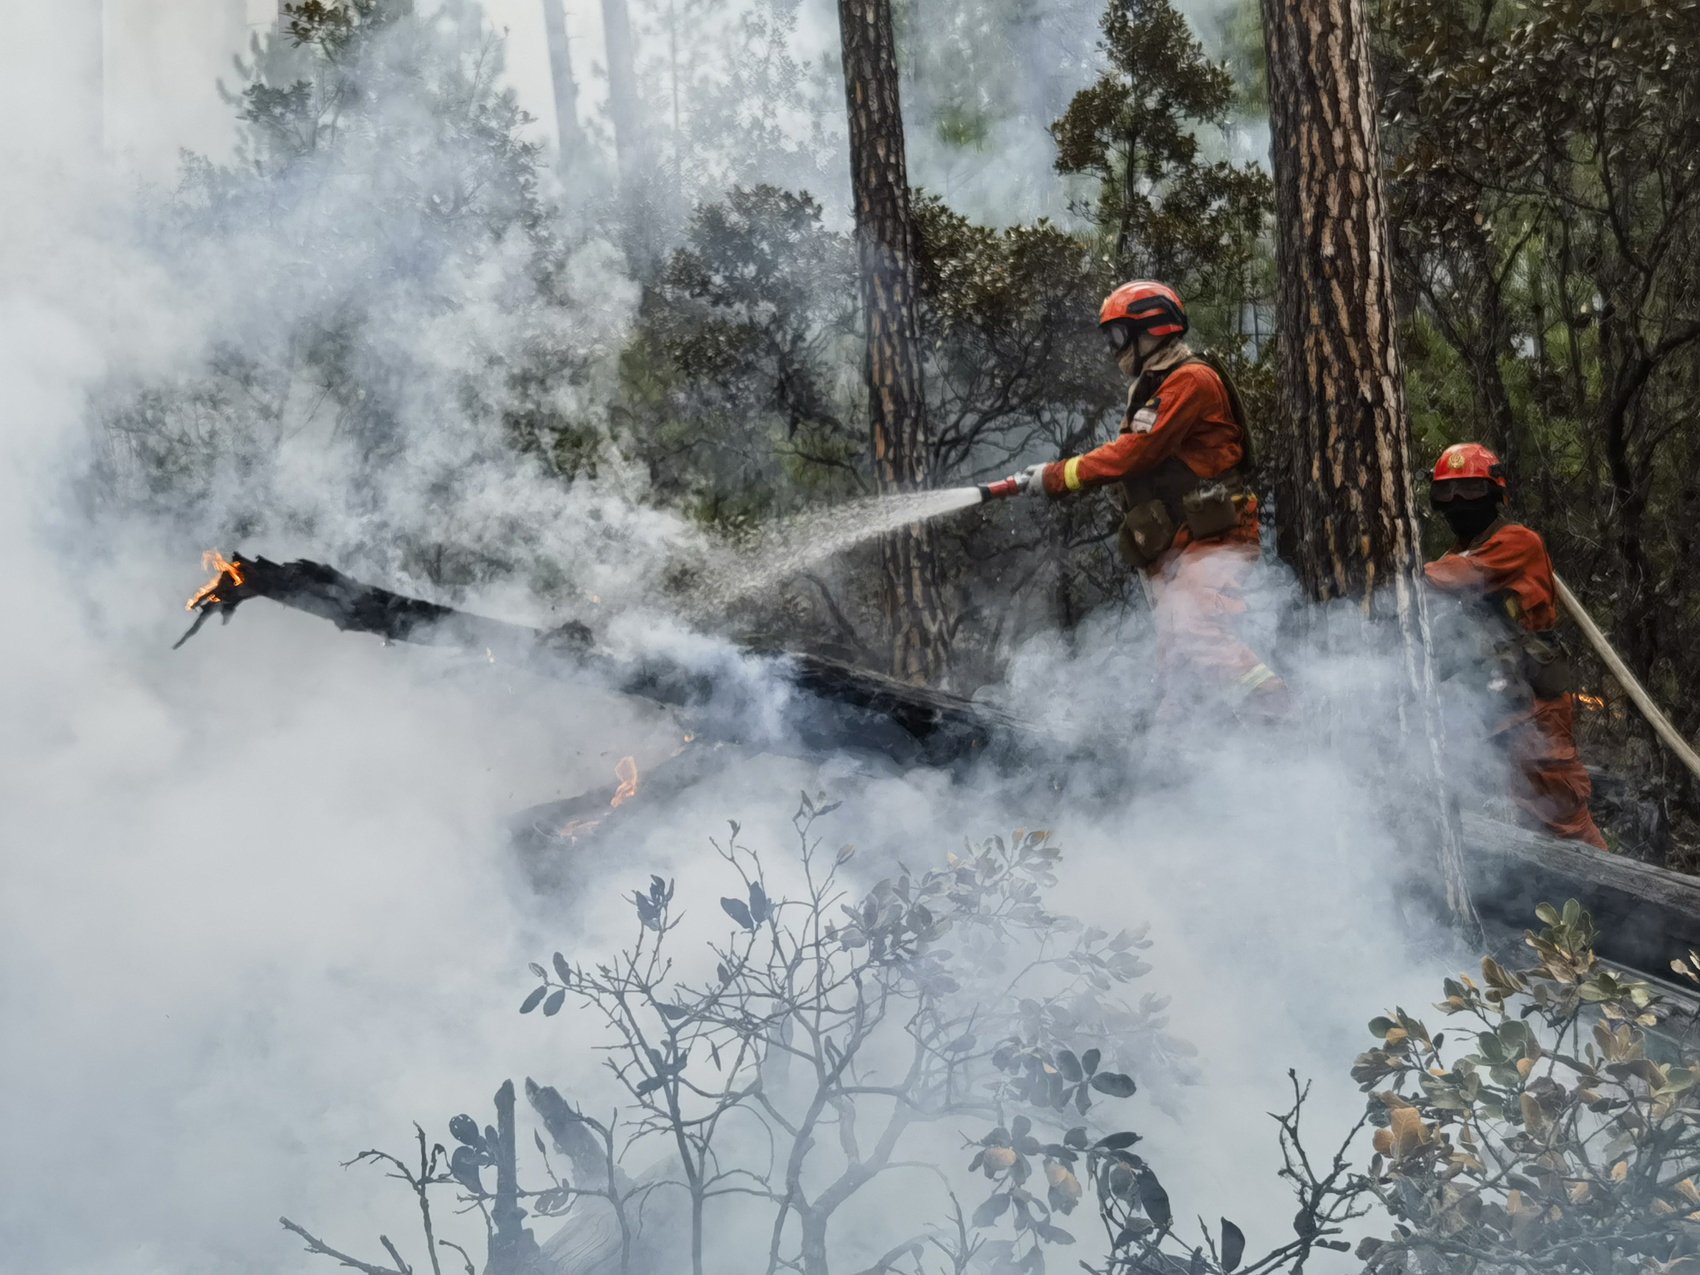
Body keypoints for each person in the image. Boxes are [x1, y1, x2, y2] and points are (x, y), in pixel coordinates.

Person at [1022, 280, 1285, 718]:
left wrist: (1059, 475)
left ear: (1152, 329)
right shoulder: (1156, 387)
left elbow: (1136, 452)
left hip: (1218, 534)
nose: (1113, 348)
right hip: (1182, 539)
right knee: (1176, 663)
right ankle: (1168, 759)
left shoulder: (1192, 381)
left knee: (1195, 630)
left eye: (1119, 335)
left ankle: (1281, 712)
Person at [1422, 442, 1608, 849]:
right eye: (1446, 493)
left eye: (1470, 491)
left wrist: (1394, 571)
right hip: (1489, 711)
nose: (1457, 503)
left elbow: (1455, 577)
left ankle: (1613, 897)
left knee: (1562, 818)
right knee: (1505, 818)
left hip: (1534, 713)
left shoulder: (1517, 542)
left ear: (1494, 493)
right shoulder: (1455, 554)